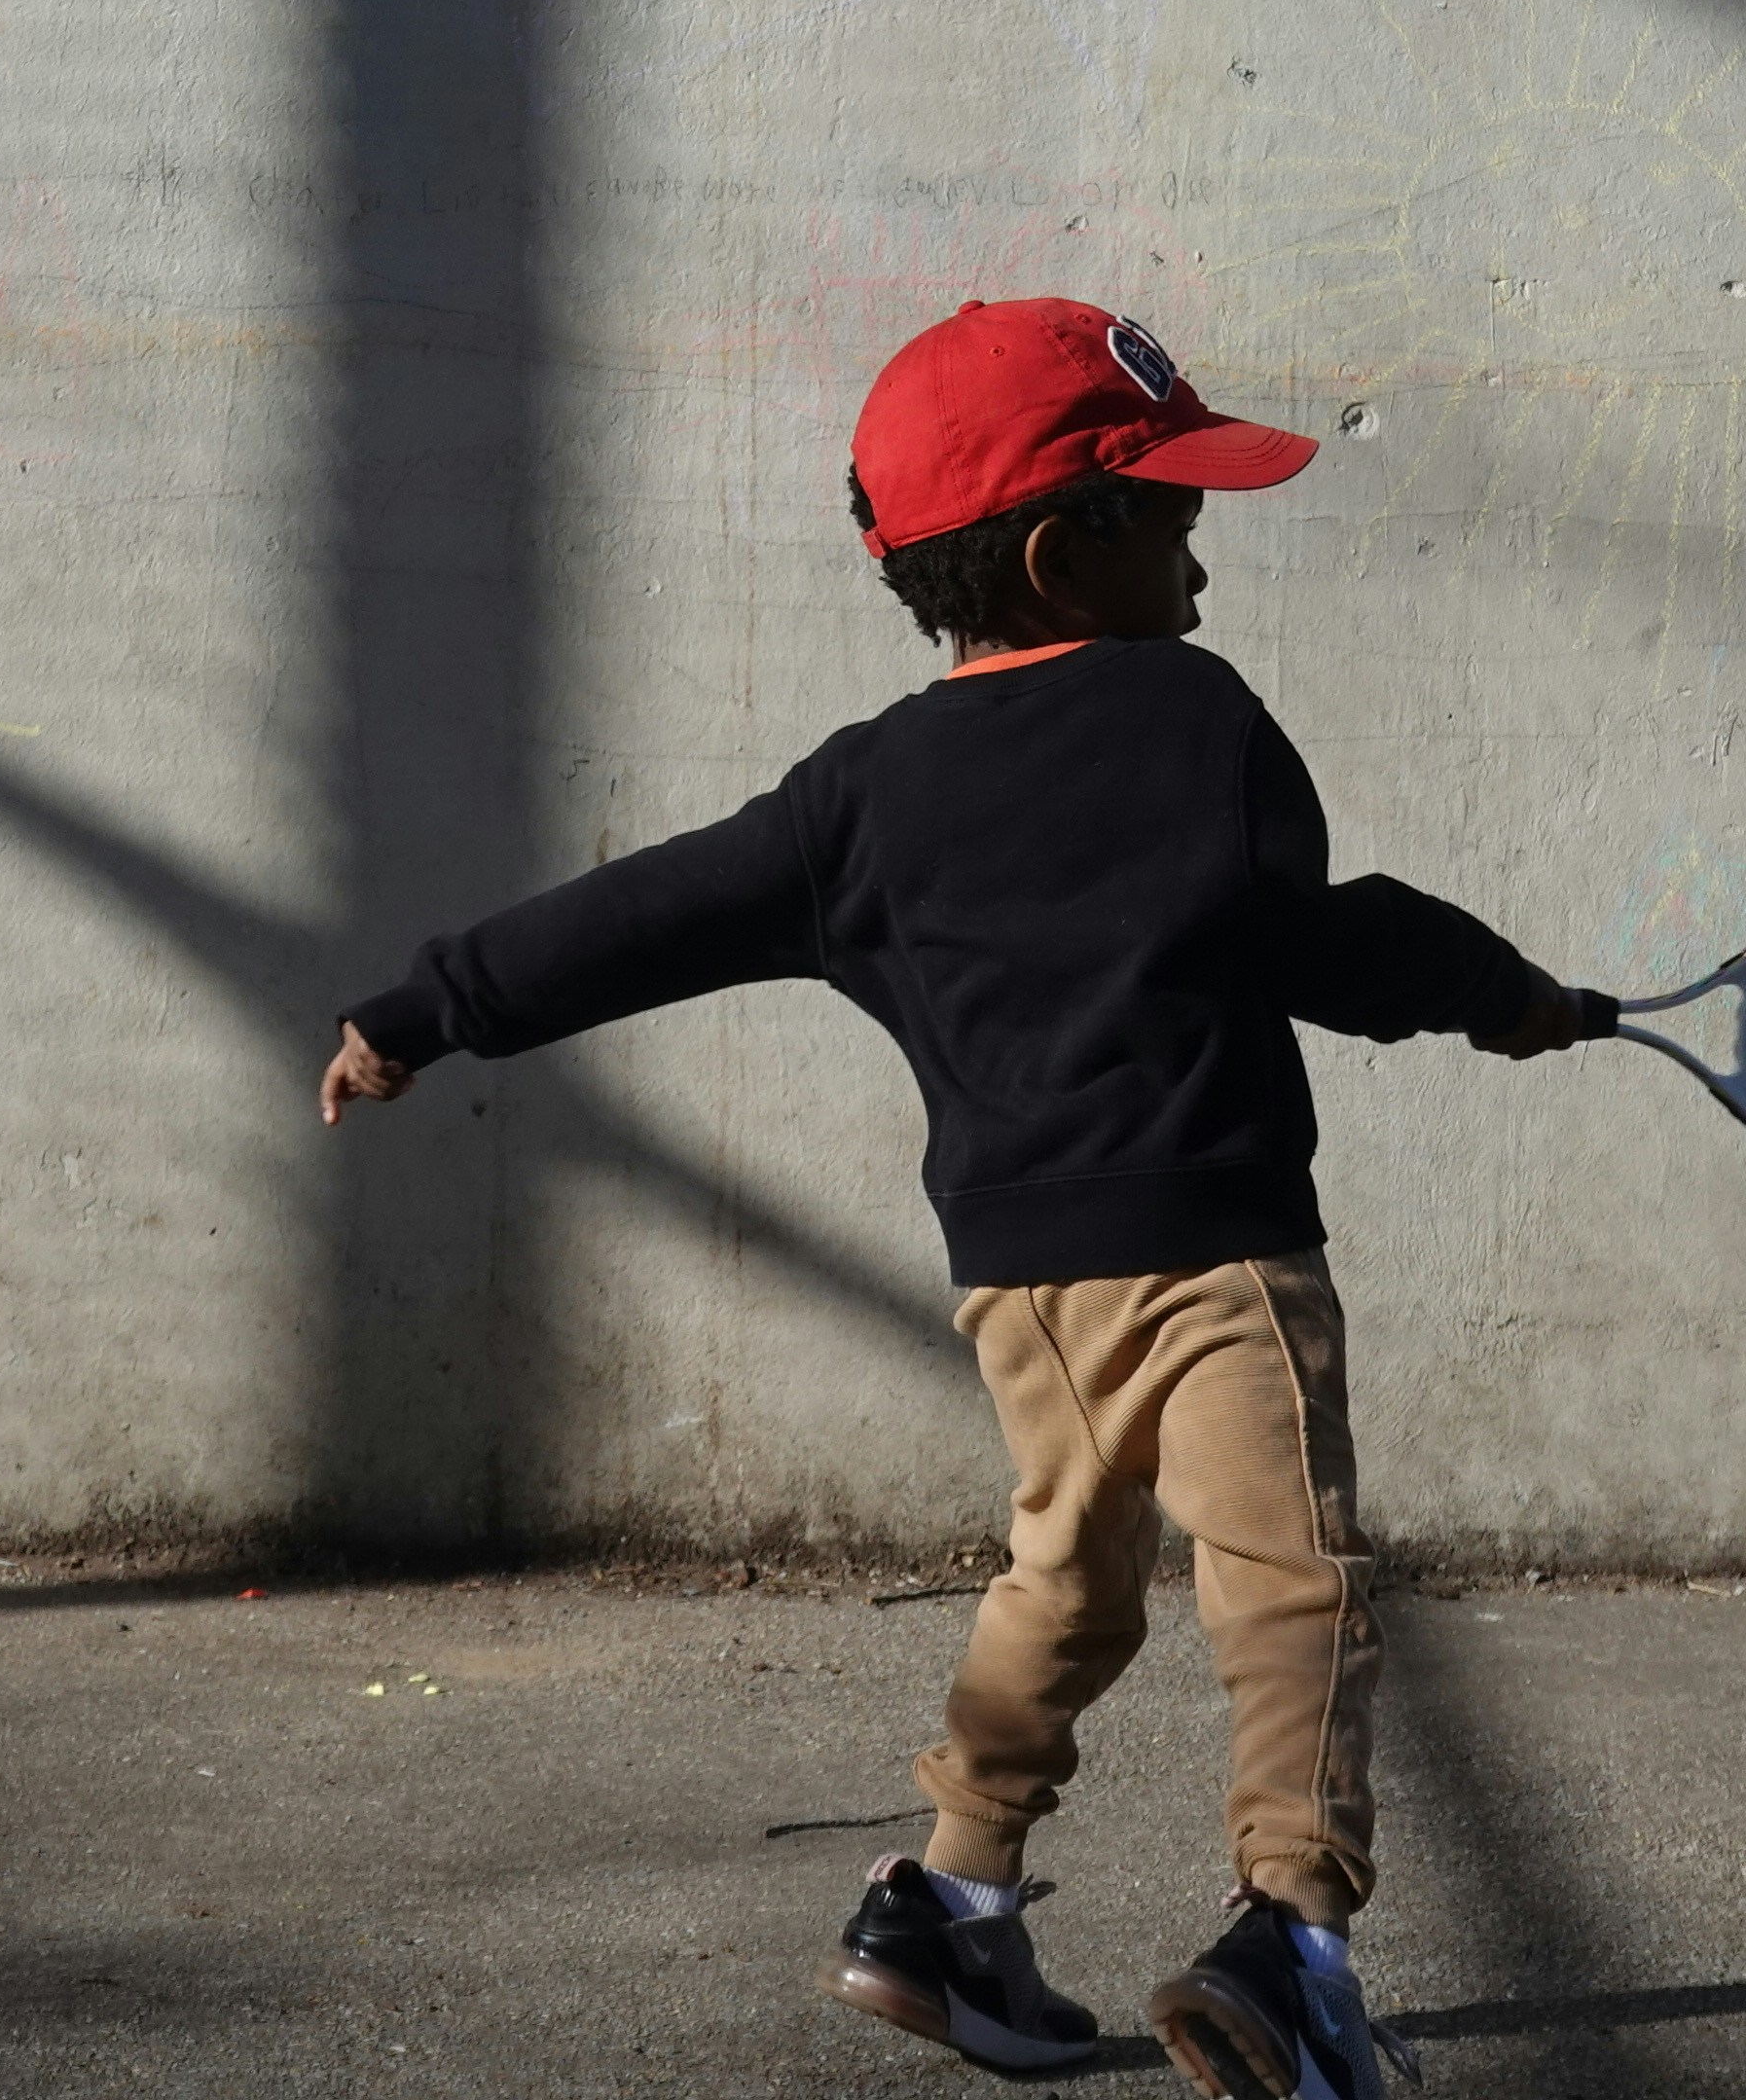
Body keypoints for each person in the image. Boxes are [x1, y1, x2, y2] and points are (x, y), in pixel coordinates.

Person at [319, 297, 1609, 2100]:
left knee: (1065, 1587)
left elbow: (645, 918)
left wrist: (420, 1010)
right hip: (1220, 1262)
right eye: (1168, 513)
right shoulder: (1191, 713)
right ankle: (1296, 1945)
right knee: (1290, 1593)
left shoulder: (863, 794)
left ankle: (950, 1896)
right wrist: (1506, 993)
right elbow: (1321, 939)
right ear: (1062, 553)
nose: (1199, 545)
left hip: (1022, 1293)